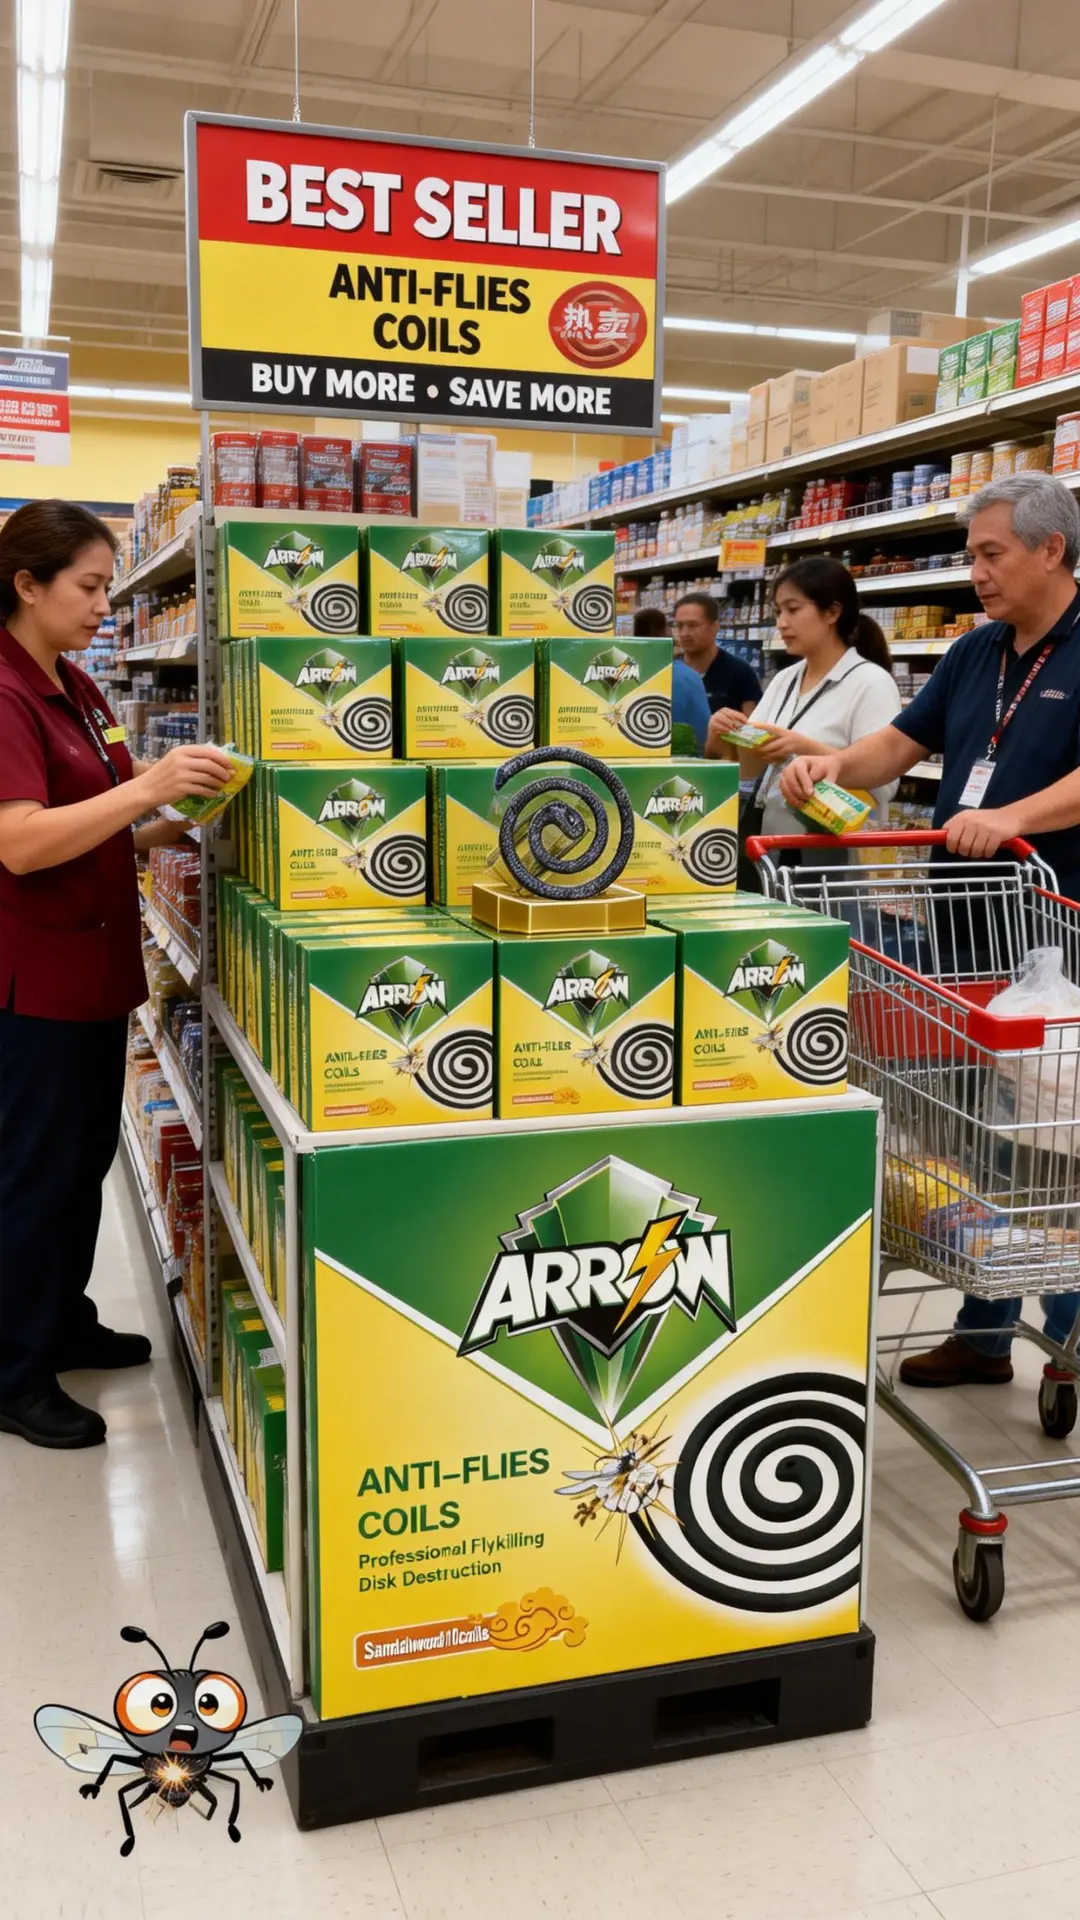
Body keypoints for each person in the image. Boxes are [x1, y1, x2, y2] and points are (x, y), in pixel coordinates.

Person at [780, 471, 1080, 1388]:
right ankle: (987, 1333)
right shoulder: (974, 651)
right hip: (965, 923)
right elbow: (898, 747)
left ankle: (1068, 1334)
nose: (976, 572)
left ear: (1051, 551)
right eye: (971, 555)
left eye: (991, 554)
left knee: (1055, 1142)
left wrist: (1018, 816)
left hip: (1055, 938)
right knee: (976, 1133)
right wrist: (831, 761)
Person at [0, 499, 233, 1449]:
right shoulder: (7, 693)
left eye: (107, 586)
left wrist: (174, 821)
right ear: (27, 584)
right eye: (90, 587)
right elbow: (18, 843)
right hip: (35, 986)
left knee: (82, 1164)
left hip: (97, 974)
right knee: (31, 1177)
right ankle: (14, 1372)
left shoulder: (79, 688)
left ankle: (60, 1320)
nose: (104, 604)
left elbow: (98, 827)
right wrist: (147, 787)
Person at [706, 556, 901, 852]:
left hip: (834, 861)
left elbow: (883, 784)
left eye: (793, 610)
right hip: (774, 850)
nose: (782, 623)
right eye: (778, 611)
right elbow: (750, 774)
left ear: (832, 612)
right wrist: (731, 735)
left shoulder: (871, 683)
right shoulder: (786, 679)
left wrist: (802, 747)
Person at [672, 591, 763, 717]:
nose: (684, 633)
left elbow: (754, 725)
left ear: (714, 626)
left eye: (692, 625)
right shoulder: (668, 671)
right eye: (679, 625)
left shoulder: (741, 672)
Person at [633, 604, 710, 751]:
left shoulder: (621, 676)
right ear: (666, 633)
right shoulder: (687, 678)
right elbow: (703, 735)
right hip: (681, 765)